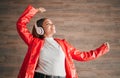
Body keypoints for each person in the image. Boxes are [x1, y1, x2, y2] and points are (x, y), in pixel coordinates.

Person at [16, 5, 110, 78]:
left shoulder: (63, 44)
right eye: (48, 23)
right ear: (40, 30)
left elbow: (83, 56)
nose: (52, 25)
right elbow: (20, 24)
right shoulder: (34, 42)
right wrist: (34, 11)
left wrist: (102, 49)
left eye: (53, 23)